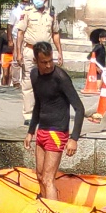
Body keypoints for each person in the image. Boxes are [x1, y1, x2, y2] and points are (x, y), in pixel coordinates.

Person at [26, 42, 84, 201]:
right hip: (42, 130)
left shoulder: (61, 77)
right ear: (35, 61)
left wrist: (74, 139)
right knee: (39, 175)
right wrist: (31, 131)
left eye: (50, 60)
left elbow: (80, 108)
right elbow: (38, 103)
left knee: (47, 178)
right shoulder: (34, 75)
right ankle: (43, 207)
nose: (49, 65)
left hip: (57, 132)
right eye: (44, 62)